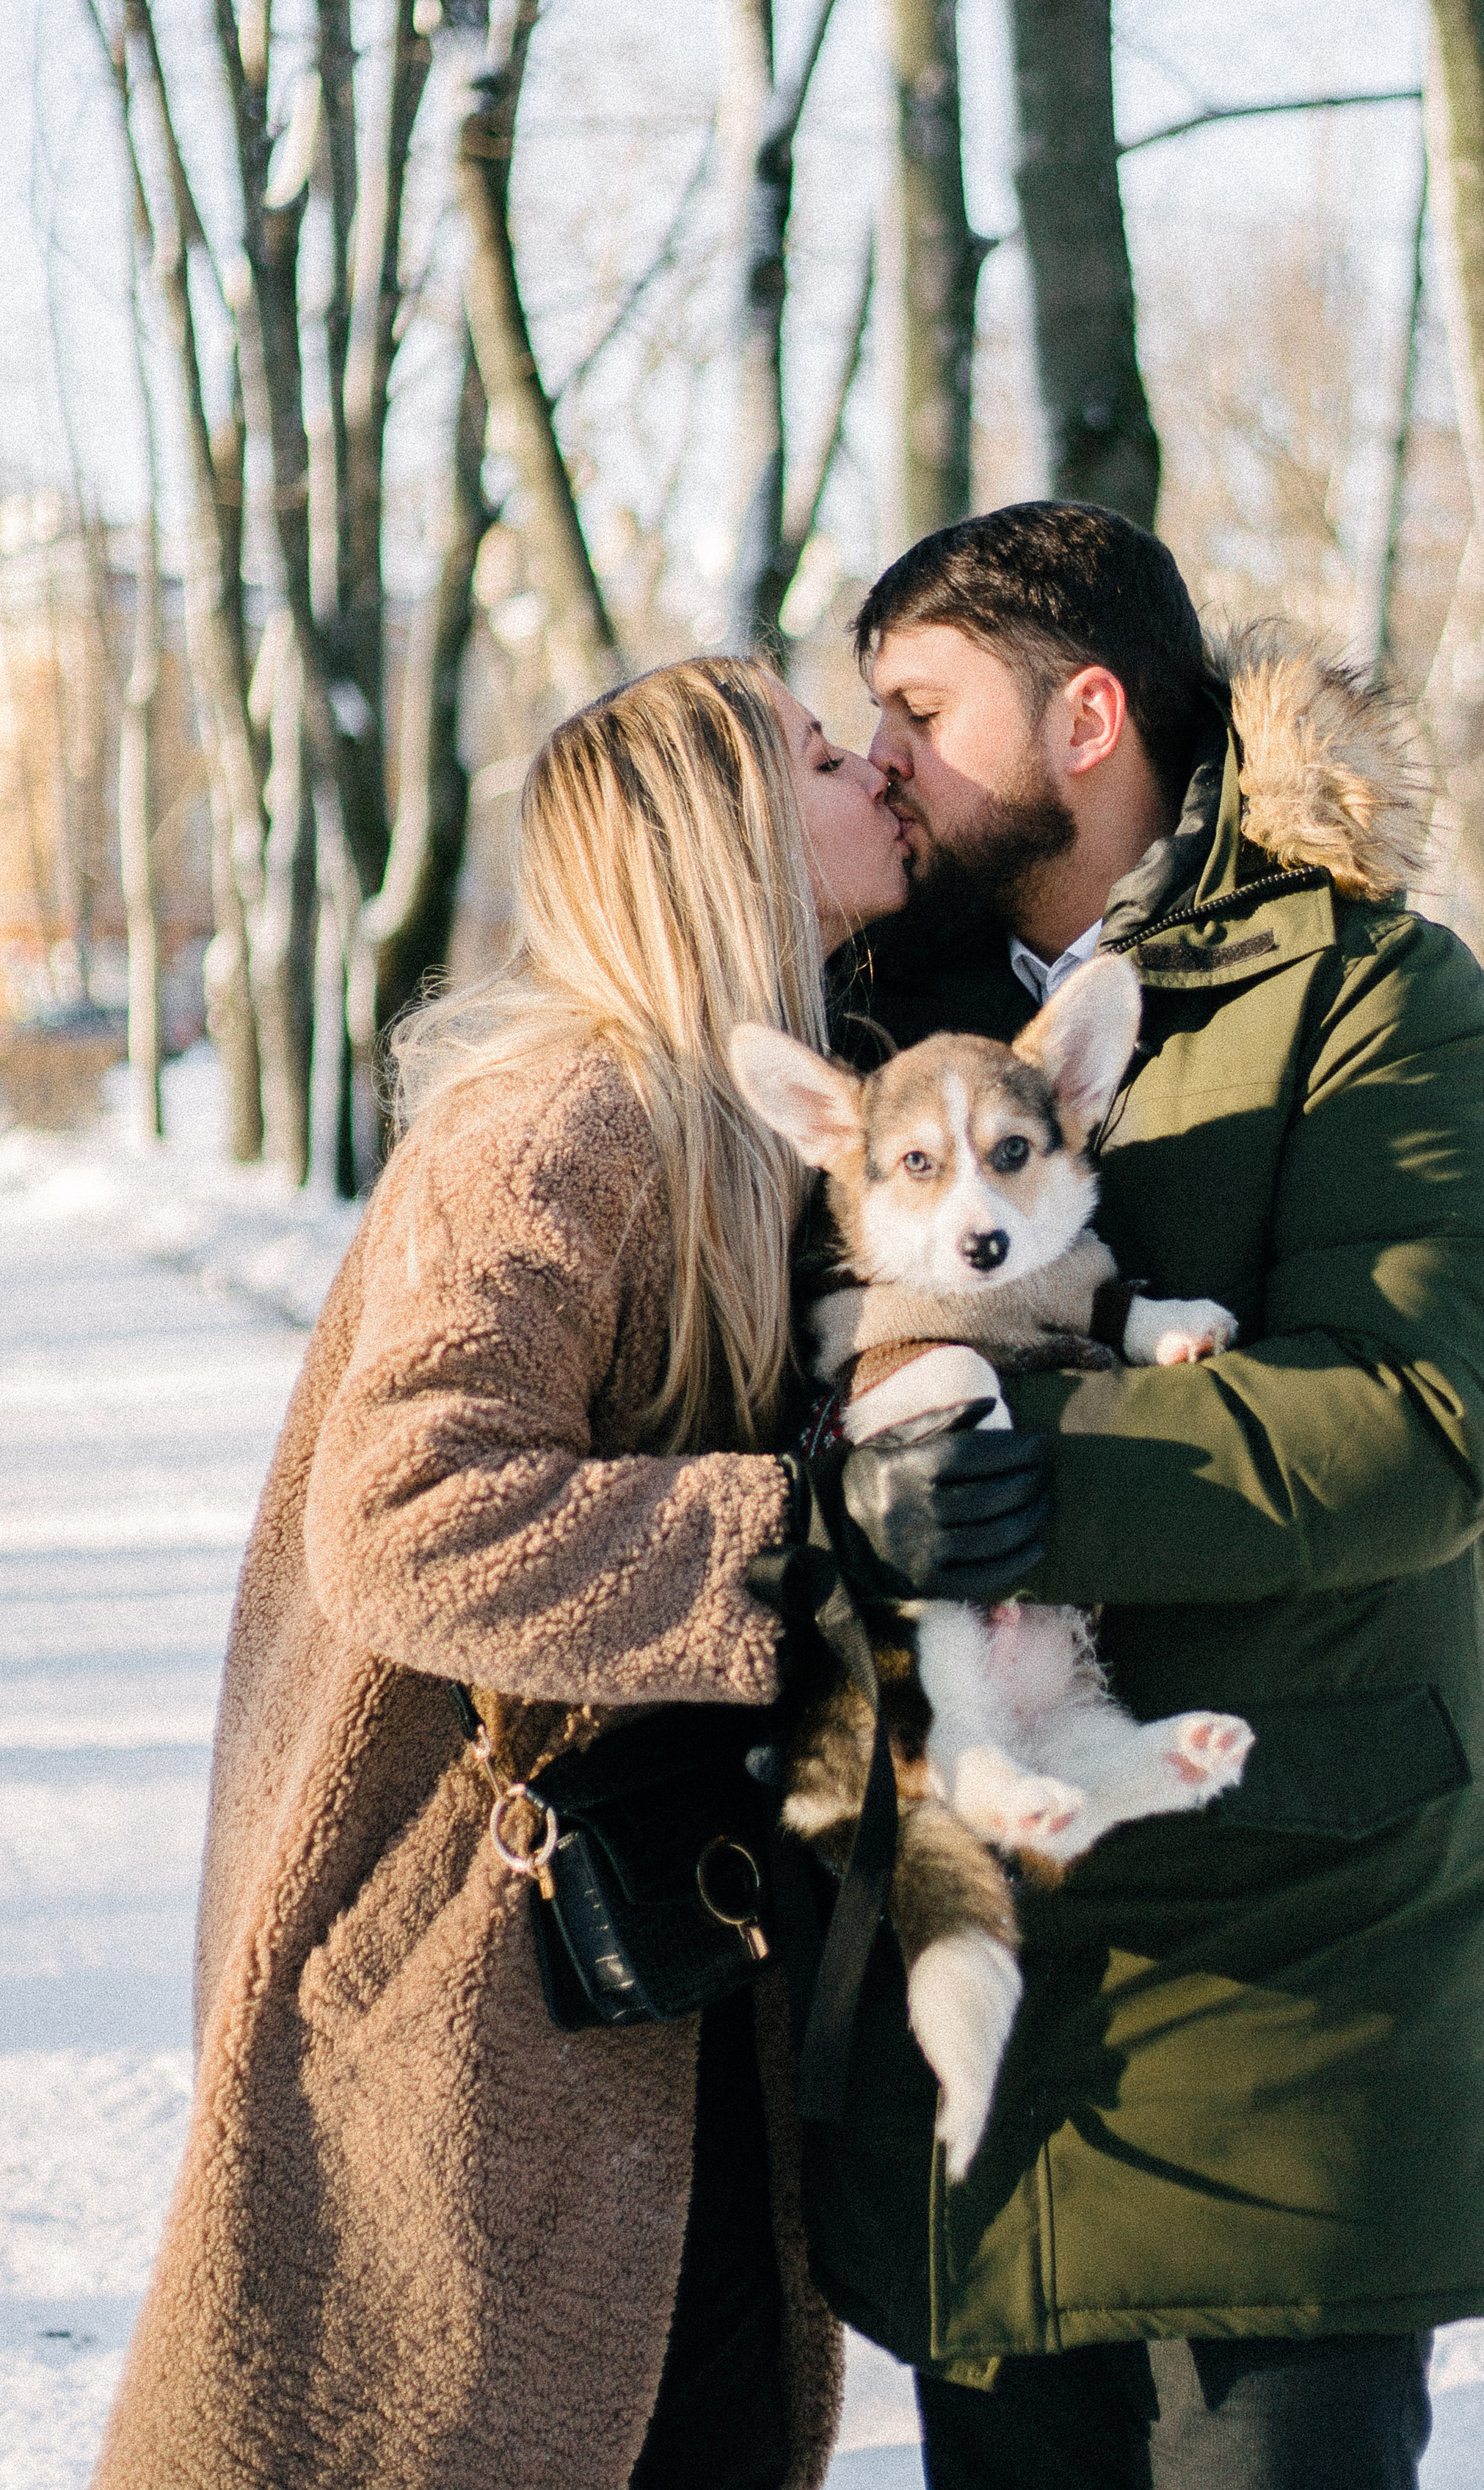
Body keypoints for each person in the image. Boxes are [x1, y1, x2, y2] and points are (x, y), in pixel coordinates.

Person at [91, 656, 1052, 2490]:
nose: (877, 777)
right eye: (823, 755)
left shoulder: (737, 1122)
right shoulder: (562, 1121)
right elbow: (403, 1515)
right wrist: (801, 1530)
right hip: (473, 1966)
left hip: (642, 1959)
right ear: (725, 839)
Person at [805, 504, 1484, 2490]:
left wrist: (1008, 1478)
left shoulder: (1370, 995)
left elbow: (1422, 1412)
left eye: (917, 704)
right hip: (978, 1984)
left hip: (1287, 1979)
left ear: (1085, 715)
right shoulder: (876, 1025)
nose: (878, 751)